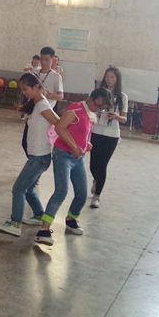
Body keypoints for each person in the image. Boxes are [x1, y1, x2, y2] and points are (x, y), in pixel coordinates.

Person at [35, 87, 111, 246]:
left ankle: (71, 219)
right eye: (99, 105)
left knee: (82, 194)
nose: (99, 109)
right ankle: (43, 230)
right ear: (93, 98)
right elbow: (59, 127)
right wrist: (74, 147)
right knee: (61, 191)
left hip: (78, 158)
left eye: (102, 108)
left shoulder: (89, 113)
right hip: (63, 155)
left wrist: (86, 143)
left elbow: (80, 132)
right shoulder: (75, 109)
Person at [0, 73, 60, 237]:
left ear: (37, 87)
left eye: (26, 89)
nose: (24, 93)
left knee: (18, 189)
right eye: (22, 90)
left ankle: (15, 223)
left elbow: (58, 122)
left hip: (39, 157)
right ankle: (38, 215)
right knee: (29, 189)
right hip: (38, 156)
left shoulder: (42, 105)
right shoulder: (37, 104)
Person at [89, 67, 128, 209]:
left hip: (111, 135)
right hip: (96, 131)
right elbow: (89, 109)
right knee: (93, 165)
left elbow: (124, 118)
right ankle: (96, 180)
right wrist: (96, 112)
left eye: (112, 77)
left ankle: (97, 196)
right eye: (107, 76)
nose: (109, 79)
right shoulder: (97, 93)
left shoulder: (122, 97)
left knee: (102, 165)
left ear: (117, 79)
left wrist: (116, 116)